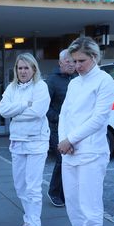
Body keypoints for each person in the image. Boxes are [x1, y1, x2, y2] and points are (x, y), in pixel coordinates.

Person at [58, 37, 114, 226]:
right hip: (70, 151)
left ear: (94, 57)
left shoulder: (105, 82)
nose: (77, 65)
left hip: (92, 152)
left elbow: (99, 118)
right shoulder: (74, 83)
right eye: (74, 61)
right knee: (72, 203)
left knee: (89, 205)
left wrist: (70, 139)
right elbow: (64, 114)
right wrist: (64, 141)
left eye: (81, 60)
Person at [0, 53, 51, 226]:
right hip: (17, 141)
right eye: (20, 68)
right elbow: (3, 111)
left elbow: (38, 112)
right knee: (20, 185)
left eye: (26, 67)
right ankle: (28, 220)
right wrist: (23, 105)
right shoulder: (12, 88)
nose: (22, 71)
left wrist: (16, 111)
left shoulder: (41, 86)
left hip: (36, 141)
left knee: (33, 186)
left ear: (34, 69)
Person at [46, 49, 77, 208]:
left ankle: (65, 194)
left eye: (74, 61)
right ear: (60, 63)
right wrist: (58, 118)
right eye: (68, 62)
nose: (72, 65)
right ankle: (54, 192)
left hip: (73, 128)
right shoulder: (52, 80)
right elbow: (45, 106)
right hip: (56, 128)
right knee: (61, 159)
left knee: (70, 160)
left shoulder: (77, 78)